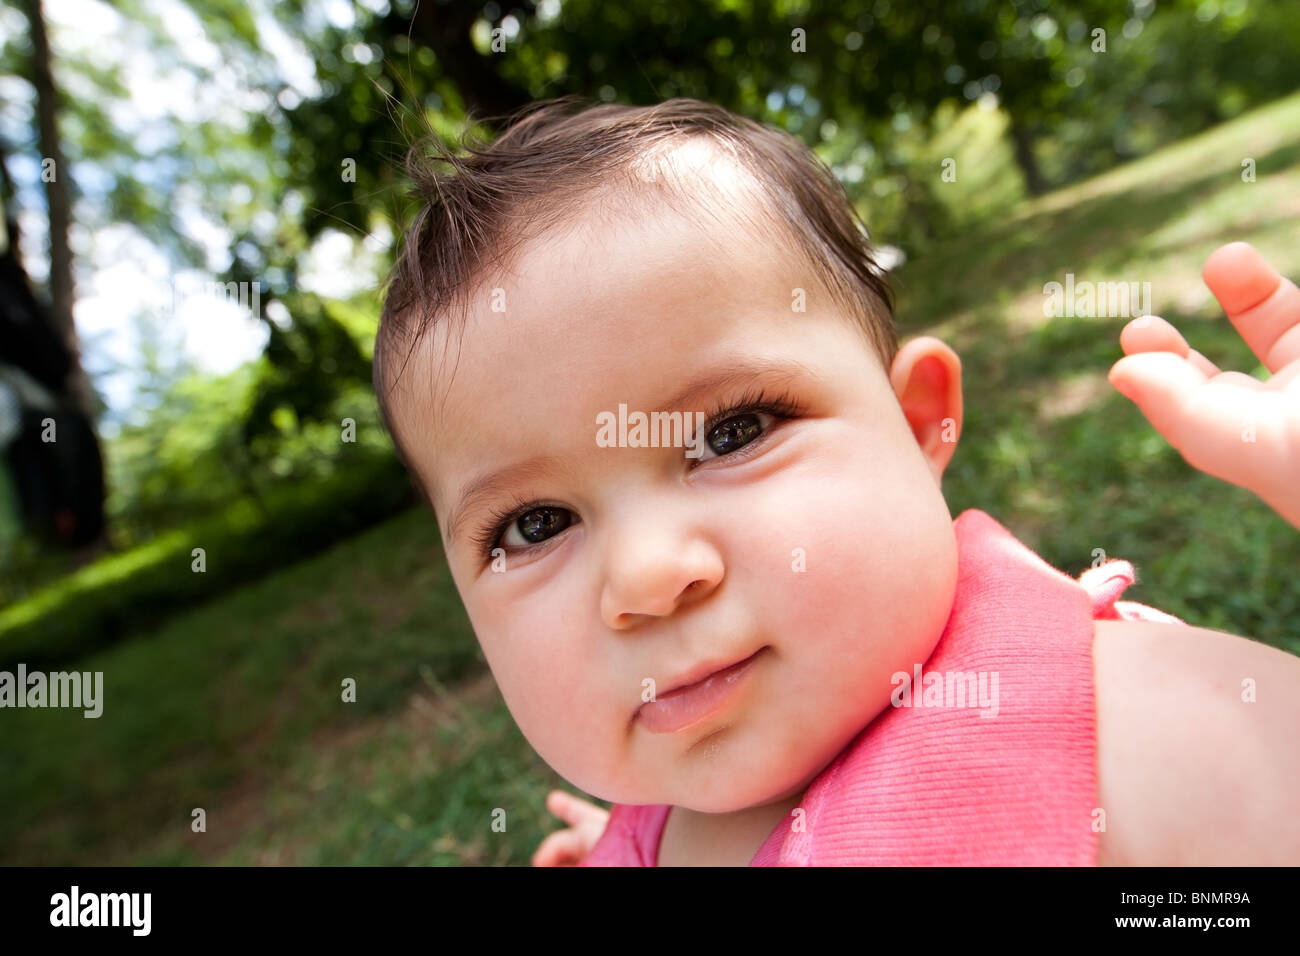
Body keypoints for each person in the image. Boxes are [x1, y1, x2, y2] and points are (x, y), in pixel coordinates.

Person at [371, 96, 1300, 866]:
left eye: (732, 432)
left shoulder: (1120, 729)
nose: (648, 575)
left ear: (916, 421)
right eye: (533, 524)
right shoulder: (655, 821)